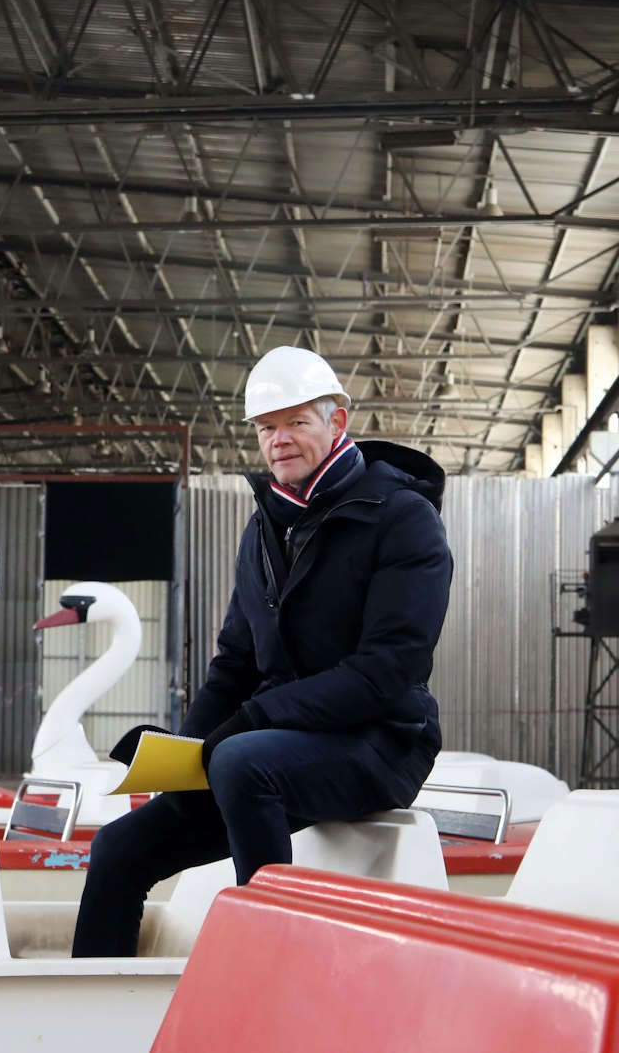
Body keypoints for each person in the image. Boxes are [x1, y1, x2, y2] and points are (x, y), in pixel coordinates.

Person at [72, 345, 453, 957]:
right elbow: (235, 661)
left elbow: (390, 670)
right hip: (277, 746)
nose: (279, 439)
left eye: (297, 422)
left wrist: (253, 721)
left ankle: (272, 967)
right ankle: (92, 1024)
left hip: (382, 740)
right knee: (118, 848)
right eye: (266, 426)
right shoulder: (267, 525)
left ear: (337, 424)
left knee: (243, 761)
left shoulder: (403, 519)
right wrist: (186, 753)